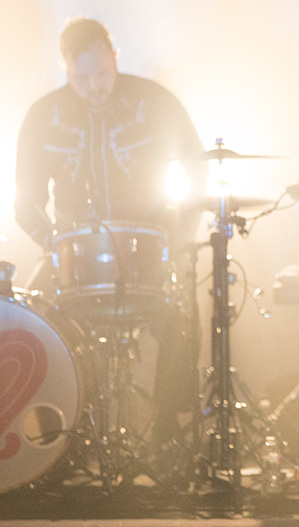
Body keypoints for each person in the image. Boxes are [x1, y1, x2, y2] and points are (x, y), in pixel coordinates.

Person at [14, 18, 205, 463]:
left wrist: (176, 242)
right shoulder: (44, 116)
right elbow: (26, 202)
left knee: (183, 314)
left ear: (114, 56)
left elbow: (198, 173)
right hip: (73, 257)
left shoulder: (154, 102)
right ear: (65, 69)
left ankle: (167, 430)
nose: (95, 87)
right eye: (82, 79)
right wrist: (53, 243)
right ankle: (55, 442)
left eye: (102, 74)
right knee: (33, 323)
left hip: (149, 254)